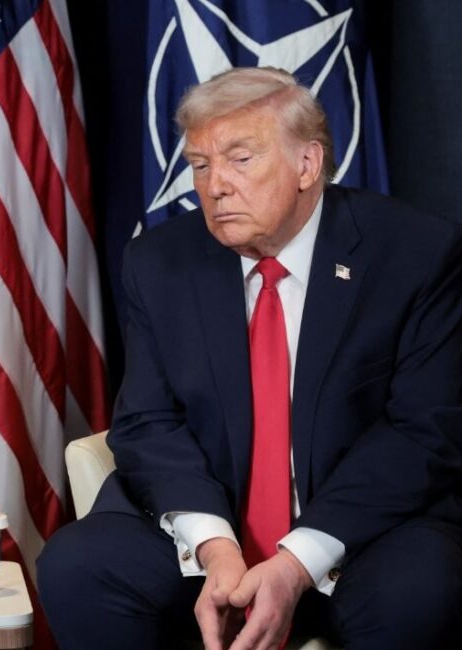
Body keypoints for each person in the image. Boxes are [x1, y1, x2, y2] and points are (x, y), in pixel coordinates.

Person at [37, 67, 462, 649]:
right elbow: (147, 423)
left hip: (358, 536)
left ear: (307, 165)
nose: (215, 186)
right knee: (78, 565)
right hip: (213, 535)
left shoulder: (415, 254)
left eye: (240, 159)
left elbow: (422, 432)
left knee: (422, 588)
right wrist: (216, 548)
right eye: (201, 164)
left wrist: (295, 563)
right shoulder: (159, 262)